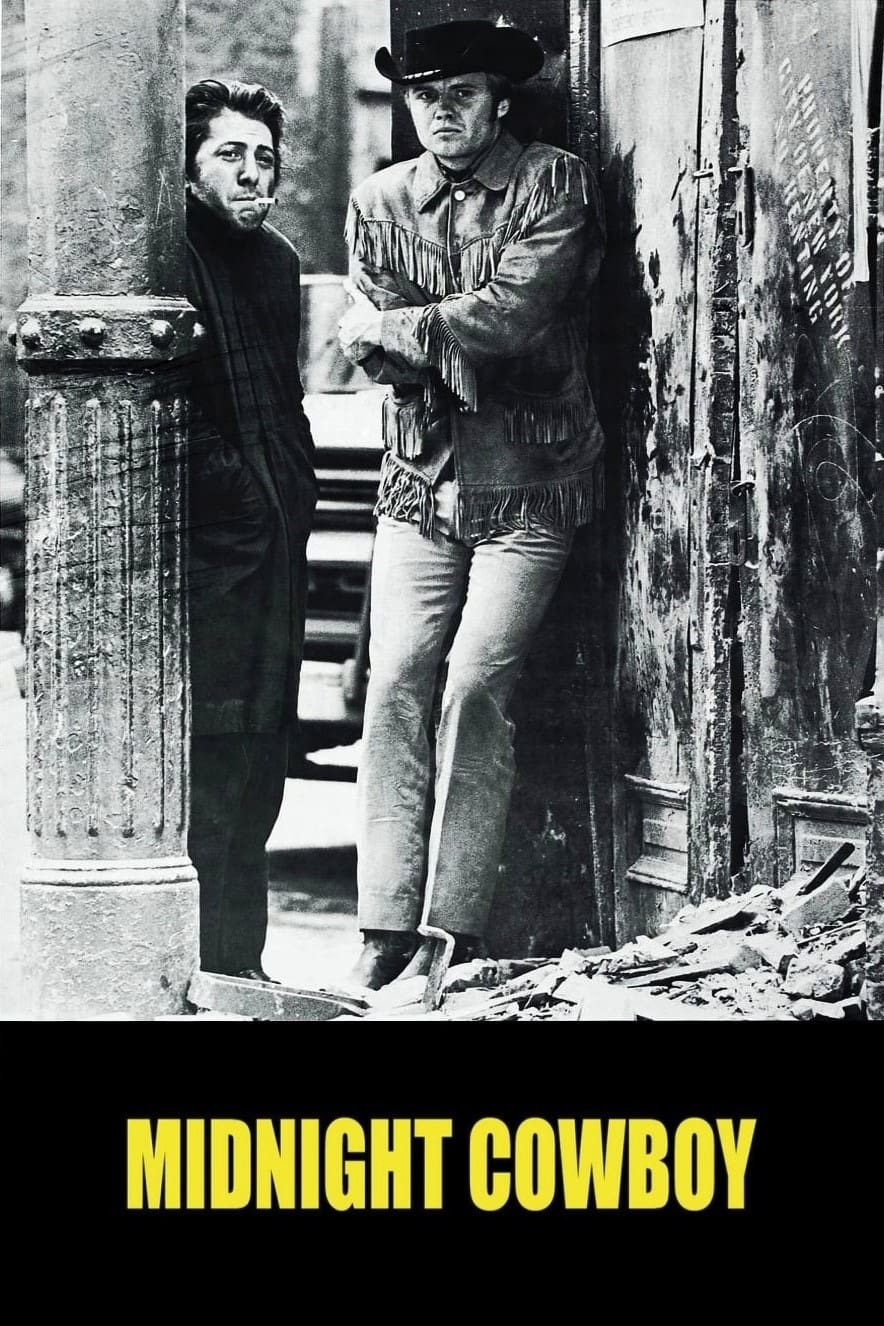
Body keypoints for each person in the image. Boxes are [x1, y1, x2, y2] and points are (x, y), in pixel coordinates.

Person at [337, 20, 606, 989]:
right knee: (394, 684)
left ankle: (448, 934)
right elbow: (370, 351)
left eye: (460, 94)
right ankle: (382, 930)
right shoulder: (378, 200)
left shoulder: (553, 182)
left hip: (533, 480)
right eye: (423, 95)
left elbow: (514, 318)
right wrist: (422, 336)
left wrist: (400, 328)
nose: (440, 112)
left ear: (498, 99)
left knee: (472, 689)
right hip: (420, 479)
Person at [184, 79, 317, 981]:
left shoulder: (275, 262)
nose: (251, 172)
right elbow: (173, 414)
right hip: (208, 550)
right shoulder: (164, 253)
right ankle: (199, 966)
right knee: (212, 759)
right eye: (229, 153)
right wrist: (242, 502)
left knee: (263, 757)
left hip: (274, 544)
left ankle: (242, 969)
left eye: (264, 157)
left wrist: (289, 496)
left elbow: (285, 396)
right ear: (192, 168)